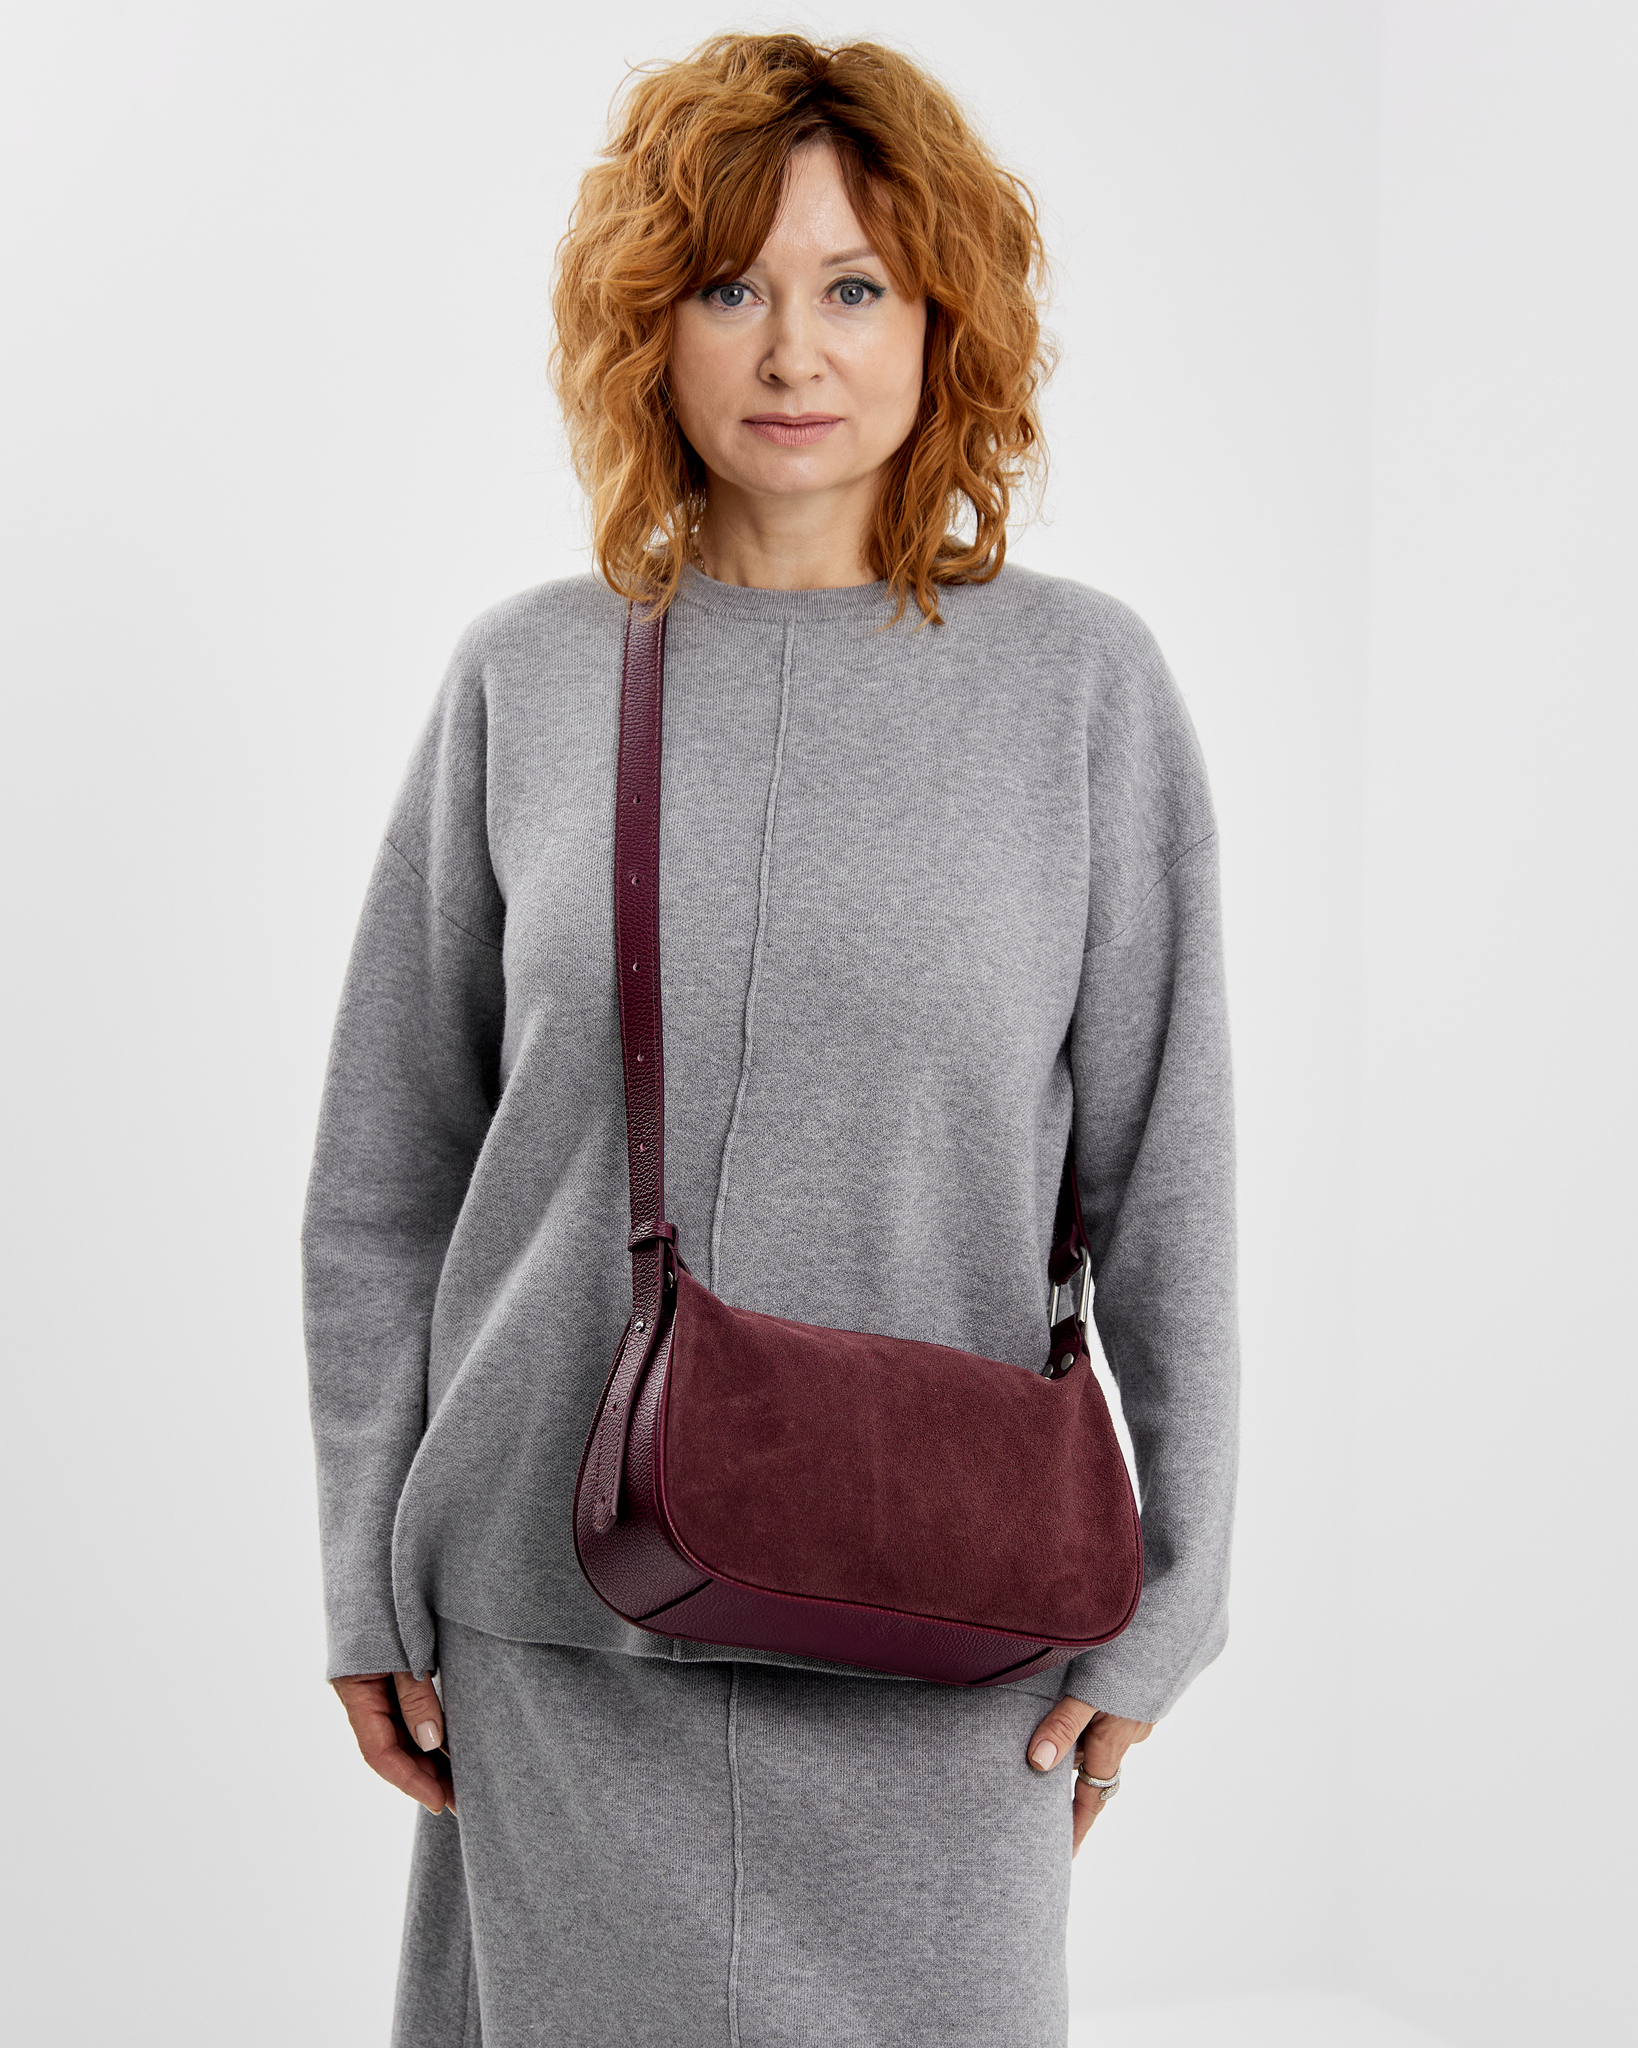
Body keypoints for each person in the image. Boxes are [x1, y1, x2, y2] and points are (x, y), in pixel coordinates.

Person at [303, 31, 1239, 2048]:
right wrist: (363, 1563)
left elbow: (1171, 1187)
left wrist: (1177, 1595)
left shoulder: (1082, 690)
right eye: (728, 286)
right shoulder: (528, 680)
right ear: (647, 326)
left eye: (855, 287)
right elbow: (385, 1181)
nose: (792, 351)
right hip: (557, 1622)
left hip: (949, 1623)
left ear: (943, 319)